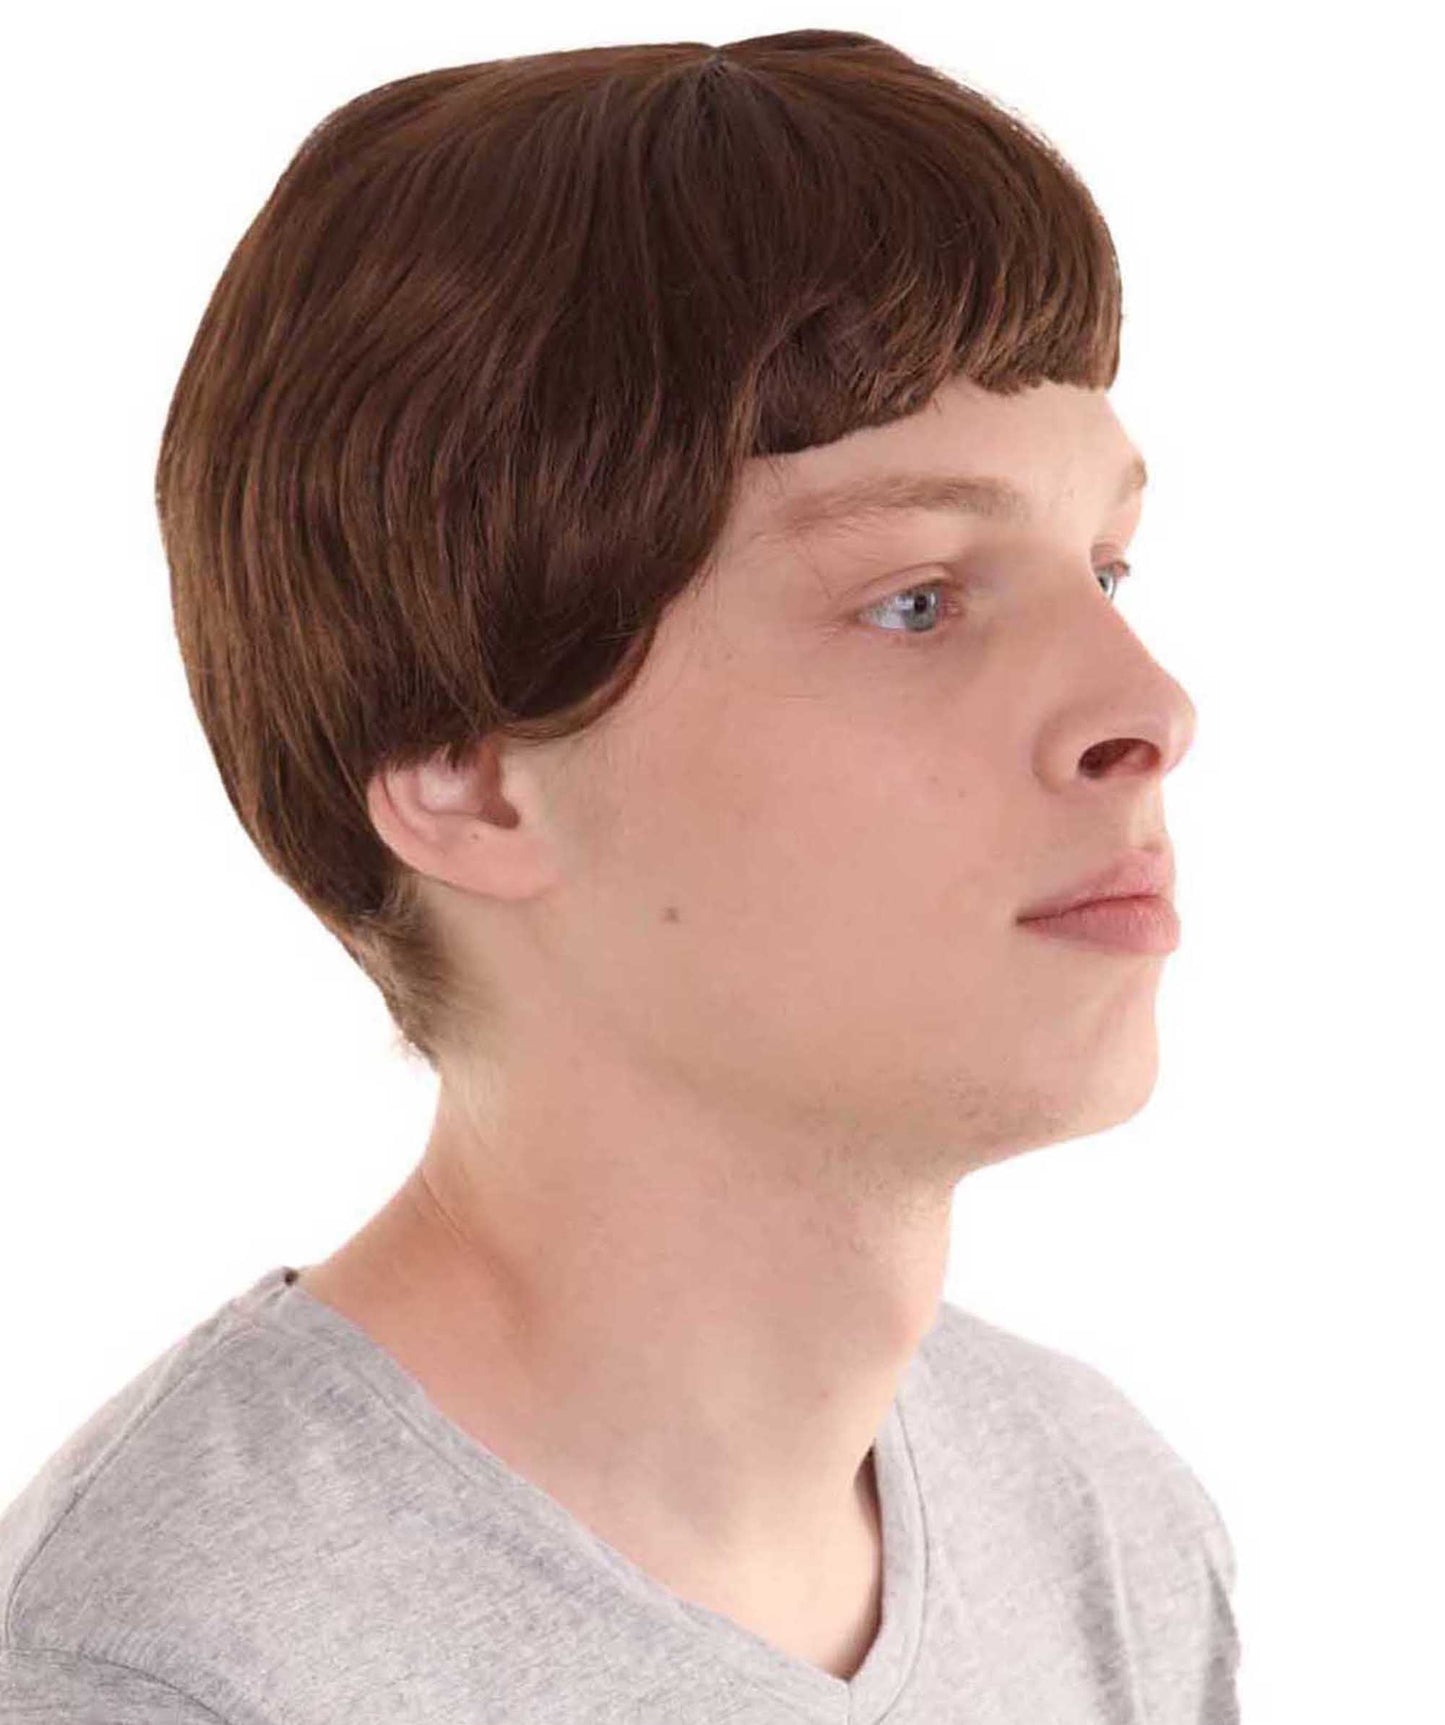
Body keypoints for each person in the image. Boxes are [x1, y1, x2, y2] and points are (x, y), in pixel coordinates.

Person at [0, 30, 1240, 1722]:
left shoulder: (1095, 1518)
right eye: (915, 601)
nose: (1146, 708)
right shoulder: (169, 1668)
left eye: (1105, 566)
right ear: (467, 770)